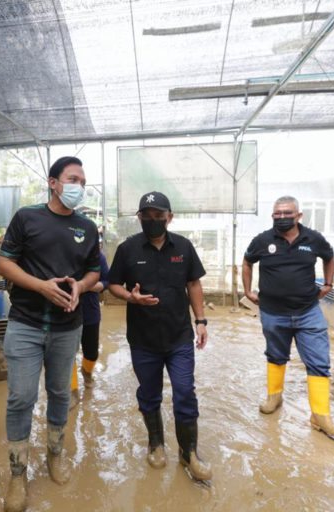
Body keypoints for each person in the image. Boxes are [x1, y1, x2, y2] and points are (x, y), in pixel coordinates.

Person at [0, 156, 100, 512]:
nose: (79, 187)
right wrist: (41, 286)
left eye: (83, 181)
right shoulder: (28, 217)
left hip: (67, 327)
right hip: (25, 322)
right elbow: (4, 263)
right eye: (73, 179)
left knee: (60, 394)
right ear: (53, 183)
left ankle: (54, 455)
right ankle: (17, 473)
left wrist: (81, 288)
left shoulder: (87, 227)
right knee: (21, 398)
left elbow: (94, 272)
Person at [107, 191, 212, 481]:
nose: (153, 220)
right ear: (139, 218)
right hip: (143, 340)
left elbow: (193, 284)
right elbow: (112, 284)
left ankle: (189, 452)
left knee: (184, 391)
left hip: (179, 337)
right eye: (147, 216)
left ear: (169, 217)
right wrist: (131, 296)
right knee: (150, 394)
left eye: (159, 215)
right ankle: (156, 444)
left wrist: (201, 321)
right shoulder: (128, 249)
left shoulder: (184, 247)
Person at [242, 195, 334, 438]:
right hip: (272, 312)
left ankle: (320, 416)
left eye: (287, 213)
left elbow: (329, 257)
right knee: (276, 355)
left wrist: (328, 283)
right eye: (277, 213)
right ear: (272, 216)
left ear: (299, 215)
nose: (282, 217)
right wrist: (247, 291)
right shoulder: (263, 240)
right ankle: (274, 397)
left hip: (308, 311)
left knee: (319, 361)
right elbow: (247, 262)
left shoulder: (313, 239)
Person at [69, 236, 109, 408]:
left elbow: (107, 280)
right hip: (67, 310)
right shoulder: (65, 254)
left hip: (90, 311)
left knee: (91, 352)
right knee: (68, 353)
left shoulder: (98, 257)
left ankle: (86, 372)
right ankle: (72, 391)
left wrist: (88, 285)